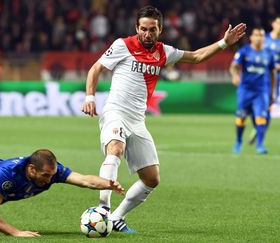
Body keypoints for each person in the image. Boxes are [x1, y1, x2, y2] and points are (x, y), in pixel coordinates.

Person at [81, 6, 246, 233]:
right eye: (143, 29)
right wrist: (90, 96)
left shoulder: (163, 52)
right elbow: (96, 68)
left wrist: (224, 43)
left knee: (152, 179)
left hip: (138, 120)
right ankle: (103, 210)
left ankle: (117, 217)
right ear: (137, 28)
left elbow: (196, 57)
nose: (147, 34)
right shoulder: (123, 45)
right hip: (115, 112)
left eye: (152, 29)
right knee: (115, 149)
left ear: (160, 29)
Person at [230, 27, 276, 154]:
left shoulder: (269, 54)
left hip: (261, 92)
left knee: (261, 117)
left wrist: (272, 92)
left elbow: (272, 73)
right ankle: (238, 141)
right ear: (251, 37)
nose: (259, 38)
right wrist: (234, 75)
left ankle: (260, 145)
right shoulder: (244, 51)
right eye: (257, 35)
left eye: (261, 35)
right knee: (241, 117)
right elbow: (234, 66)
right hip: (245, 90)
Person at [248, 16, 280, 144]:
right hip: (258, 77)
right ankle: (258, 127)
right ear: (273, 24)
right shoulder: (264, 39)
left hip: (274, 79)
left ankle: (259, 132)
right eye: (278, 22)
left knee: (268, 107)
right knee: (251, 106)